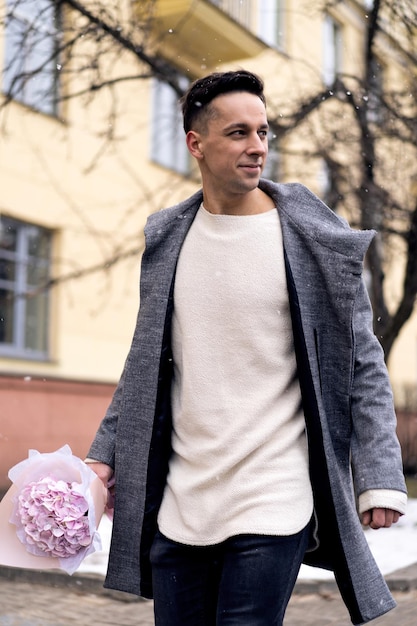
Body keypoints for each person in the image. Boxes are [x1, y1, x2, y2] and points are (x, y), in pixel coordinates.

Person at [86, 70, 407, 625]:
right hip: (182, 497)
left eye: (263, 132)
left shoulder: (311, 236)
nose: (257, 146)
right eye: (238, 133)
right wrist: (103, 455)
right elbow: (145, 366)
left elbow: (362, 362)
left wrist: (379, 473)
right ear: (196, 144)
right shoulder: (168, 239)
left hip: (273, 493)